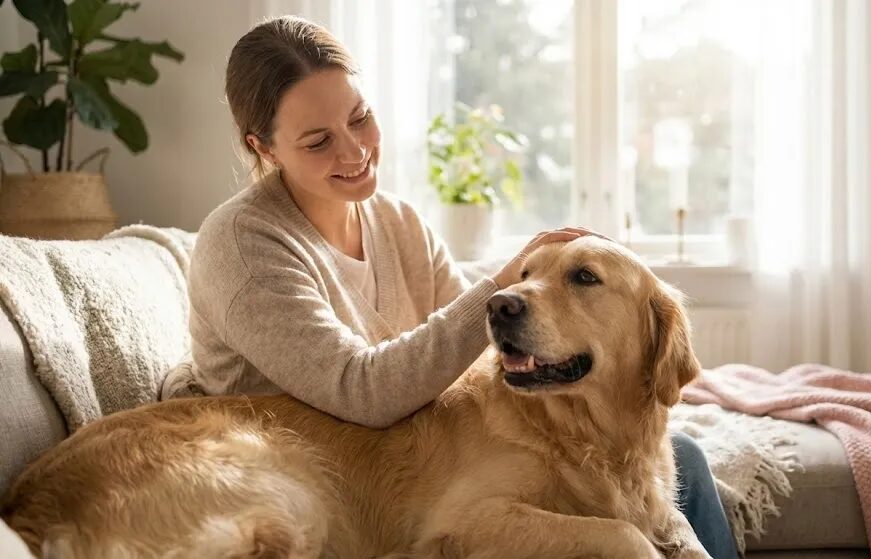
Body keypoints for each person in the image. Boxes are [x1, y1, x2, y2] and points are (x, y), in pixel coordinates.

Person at [170, 15, 738, 559]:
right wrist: (499, 282)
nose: (355, 151)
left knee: (679, 459)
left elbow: (480, 356)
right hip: (294, 470)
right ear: (264, 148)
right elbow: (360, 392)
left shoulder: (395, 220)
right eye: (319, 142)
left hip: (419, 460)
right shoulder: (243, 246)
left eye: (361, 117)